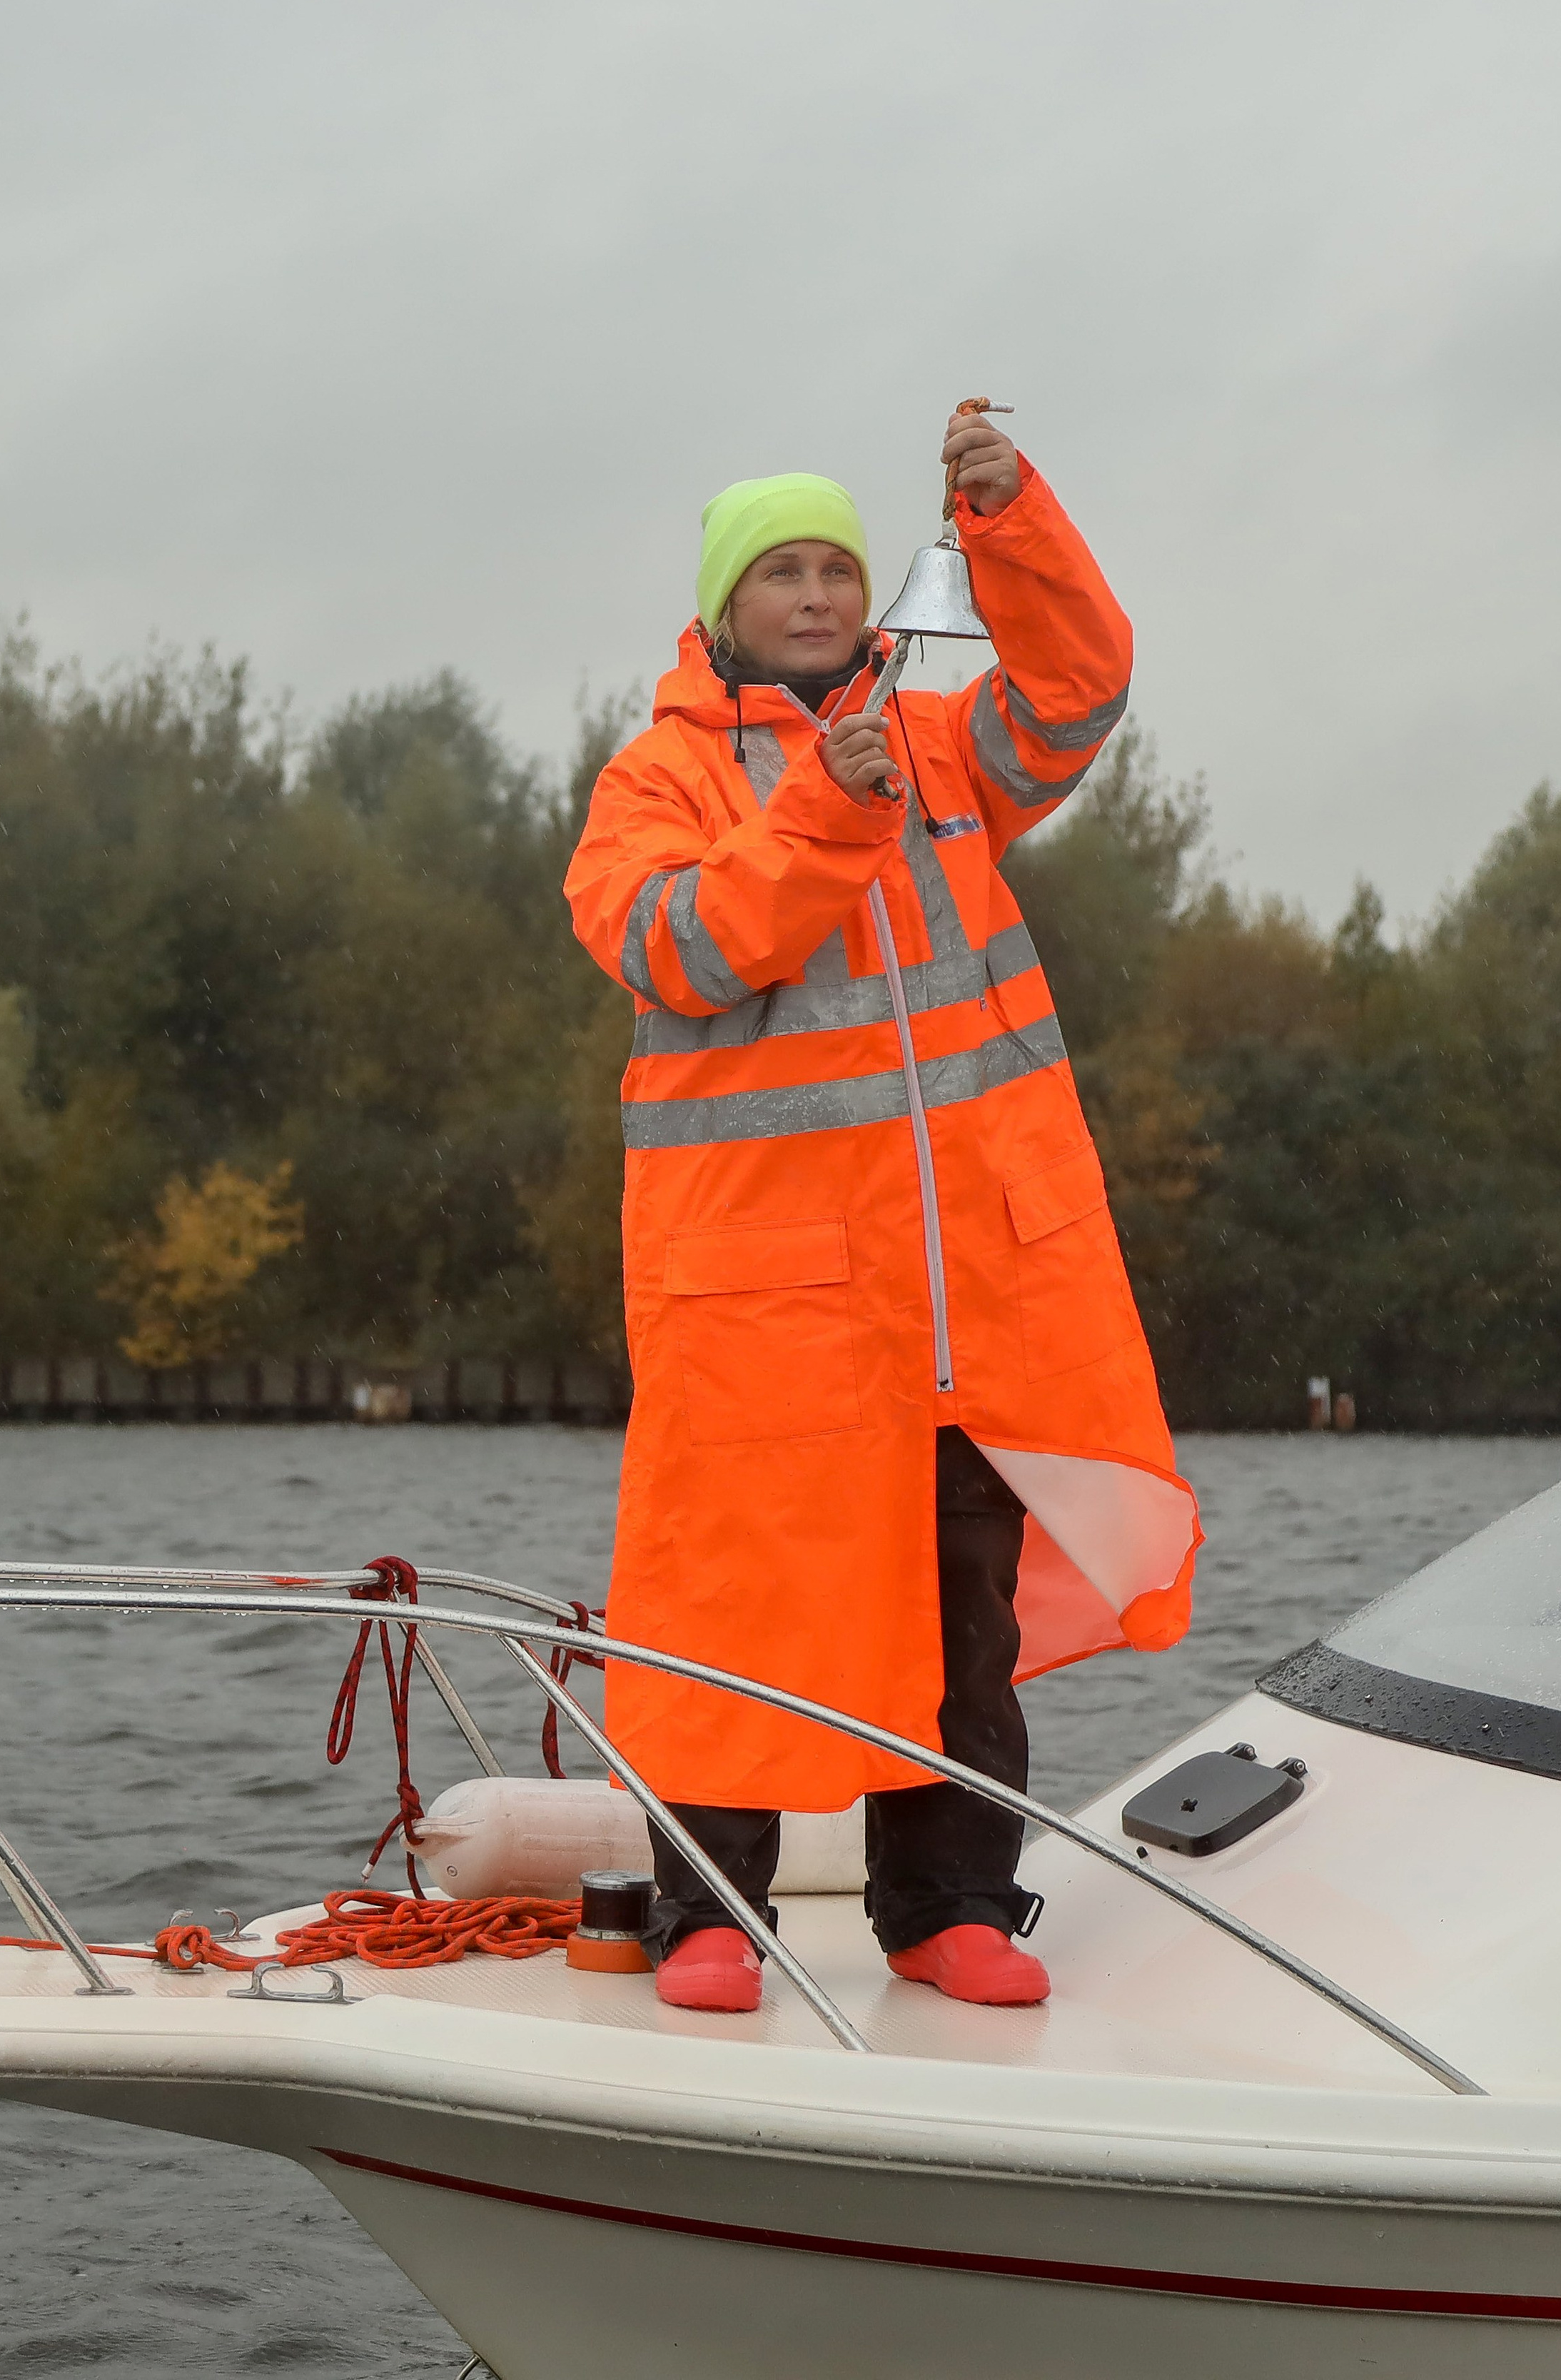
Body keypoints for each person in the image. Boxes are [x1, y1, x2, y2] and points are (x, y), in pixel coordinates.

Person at [565, 406, 1201, 2013]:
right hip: (757, 1303)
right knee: (731, 1609)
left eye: (837, 568)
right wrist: (824, 812)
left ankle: (947, 1911)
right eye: (780, 572)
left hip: (964, 1297)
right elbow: (676, 948)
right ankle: (709, 1918)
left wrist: (1011, 523)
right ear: (722, 610)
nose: (817, 594)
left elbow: (1078, 689)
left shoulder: (938, 746)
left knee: (958, 1612)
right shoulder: (655, 777)